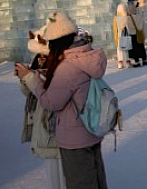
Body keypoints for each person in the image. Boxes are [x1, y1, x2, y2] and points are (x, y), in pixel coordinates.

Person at [14, 11, 109, 189]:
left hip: (75, 138)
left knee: (81, 182)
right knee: (95, 179)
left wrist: (30, 78)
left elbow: (51, 102)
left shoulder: (67, 67)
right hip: (90, 129)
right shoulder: (84, 56)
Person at [20, 25, 66, 189]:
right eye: (38, 54)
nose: (40, 57)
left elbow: (51, 95)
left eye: (43, 54)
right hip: (43, 123)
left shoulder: (62, 66)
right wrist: (25, 78)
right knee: (52, 172)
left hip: (56, 124)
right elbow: (31, 94)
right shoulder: (38, 65)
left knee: (62, 172)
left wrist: (33, 79)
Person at [126, 1, 147, 67]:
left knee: (134, 49)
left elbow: (127, 26)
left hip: (132, 35)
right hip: (139, 34)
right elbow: (143, 25)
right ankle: (144, 60)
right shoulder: (139, 16)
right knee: (141, 47)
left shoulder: (128, 18)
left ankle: (137, 61)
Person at [112, 3, 131, 69]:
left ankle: (120, 63)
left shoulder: (116, 18)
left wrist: (116, 38)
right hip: (126, 36)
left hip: (119, 37)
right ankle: (127, 62)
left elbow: (115, 29)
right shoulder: (127, 18)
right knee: (126, 50)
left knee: (119, 50)